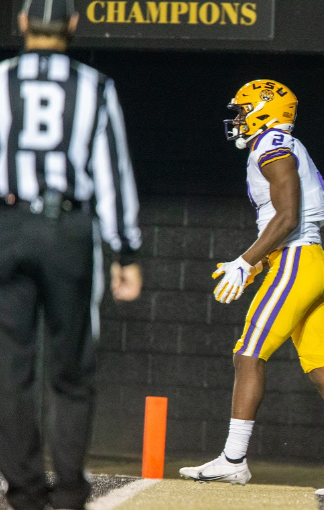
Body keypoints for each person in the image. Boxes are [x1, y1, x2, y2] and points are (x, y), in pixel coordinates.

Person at [179, 80, 324, 496]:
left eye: (241, 110)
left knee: (248, 353)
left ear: (263, 111)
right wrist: (255, 267)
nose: (236, 119)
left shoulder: (271, 143)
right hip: (312, 260)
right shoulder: (276, 143)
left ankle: (233, 460)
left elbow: (287, 217)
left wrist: (244, 261)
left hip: (297, 259)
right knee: (323, 368)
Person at [0, 0, 143, 508]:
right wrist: (125, 250)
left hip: (8, 224)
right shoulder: (93, 86)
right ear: (73, 25)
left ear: (21, 23)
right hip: (66, 230)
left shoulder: (0, 81)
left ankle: (23, 491)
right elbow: (112, 173)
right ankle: (68, 493)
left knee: (8, 369)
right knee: (71, 366)